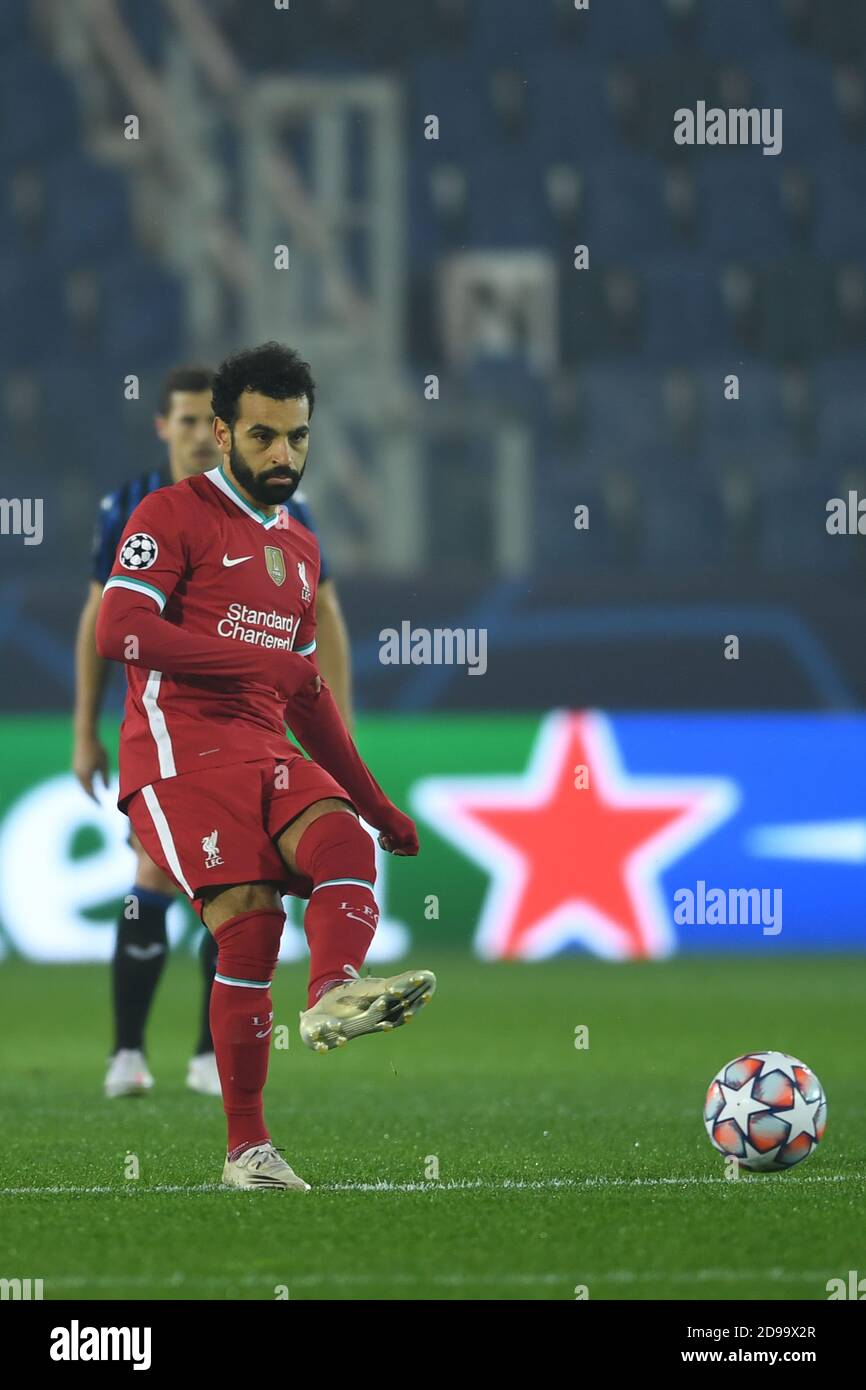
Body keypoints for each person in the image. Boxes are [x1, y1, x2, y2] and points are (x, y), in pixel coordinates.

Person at [95, 341, 435, 1190]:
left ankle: (333, 992)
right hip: (176, 757)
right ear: (221, 433)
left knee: (343, 843)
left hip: (262, 749)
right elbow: (121, 632)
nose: (283, 455)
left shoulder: (304, 550)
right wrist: (255, 668)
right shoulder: (167, 517)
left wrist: (377, 802)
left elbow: (307, 694)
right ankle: (247, 1148)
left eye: (297, 437)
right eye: (263, 438)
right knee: (248, 918)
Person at [73, 364, 355, 1100]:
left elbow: (322, 625)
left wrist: (338, 737)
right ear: (168, 426)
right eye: (189, 422)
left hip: (251, 736)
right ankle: (127, 1049)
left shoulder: (287, 517)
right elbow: (103, 623)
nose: (201, 435)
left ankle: (206, 1052)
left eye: (211, 422)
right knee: (157, 878)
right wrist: (85, 729)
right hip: (165, 737)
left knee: (247, 894)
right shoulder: (138, 506)